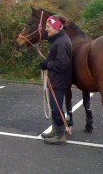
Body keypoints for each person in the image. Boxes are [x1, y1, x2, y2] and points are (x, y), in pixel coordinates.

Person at [40, 15, 72, 145]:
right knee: (54, 106)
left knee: (56, 108)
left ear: (56, 27)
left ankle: (60, 136)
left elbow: (62, 64)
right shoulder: (58, 39)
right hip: (55, 79)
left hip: (59, 80)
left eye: (48, 26)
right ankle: (56, 130)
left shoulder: (61, 42)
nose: (46, 29)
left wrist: (47, 65)